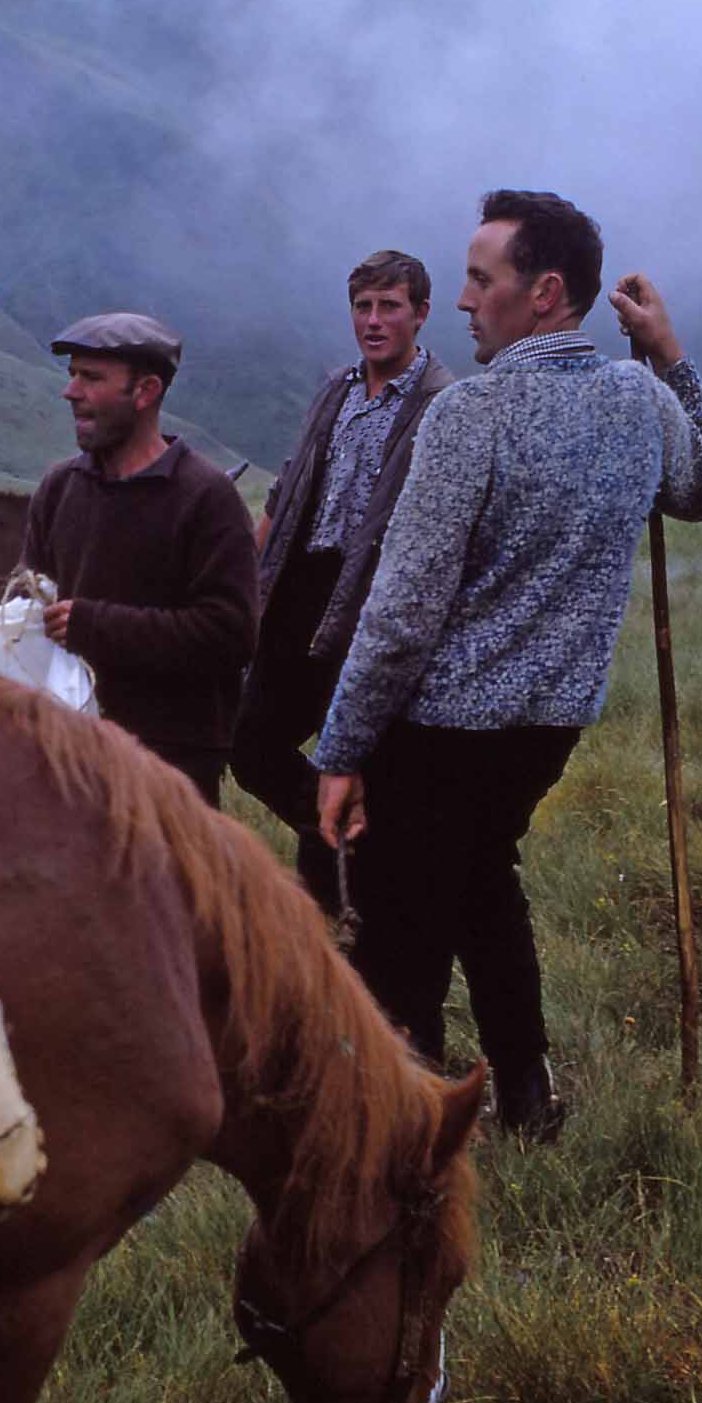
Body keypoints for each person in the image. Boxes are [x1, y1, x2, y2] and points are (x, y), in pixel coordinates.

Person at [312, 190, 702, 1133]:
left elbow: (403, 610)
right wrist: (669, 356)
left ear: (544, 292)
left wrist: (341, 749)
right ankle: (529, 1100)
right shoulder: (638, 399)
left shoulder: (470, 414)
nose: (463, 300)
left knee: (400, 932)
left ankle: (402, 1131)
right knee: (482, 883)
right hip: (549, 725)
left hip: (437, 728)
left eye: (478, 279)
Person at [231, 250, 457, 910]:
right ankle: (337, 832)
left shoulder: (440, 403)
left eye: (390, 306)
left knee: (346, 748)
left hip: (370, 601)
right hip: (301, 588)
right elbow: (288, 484)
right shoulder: (336, 388)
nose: (374, 320)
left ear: (420, 313)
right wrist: (249, 568)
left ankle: (337, 901)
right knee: (250, 743)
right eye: (363, 306)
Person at [21, 311, 258, 804]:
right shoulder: (59, 489)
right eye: (72, 376)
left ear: (146, 392)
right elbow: (32, 602)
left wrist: (96, 625)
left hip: (169, 765)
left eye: (91, 378)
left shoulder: (205, 497)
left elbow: (230, 633)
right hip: (67, 751)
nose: (71, 392)